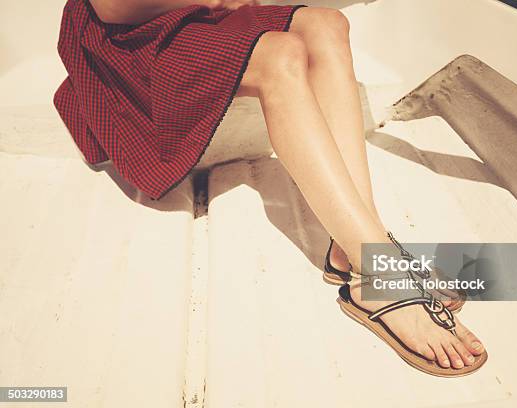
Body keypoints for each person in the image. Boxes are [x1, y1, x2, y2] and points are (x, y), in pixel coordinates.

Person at [54, 0, 487, 375]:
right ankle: (376, 269)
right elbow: (110, 7)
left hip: (193, 16)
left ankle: (353, 244)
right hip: (125, 37)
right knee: (280, 57)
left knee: (327, 25)